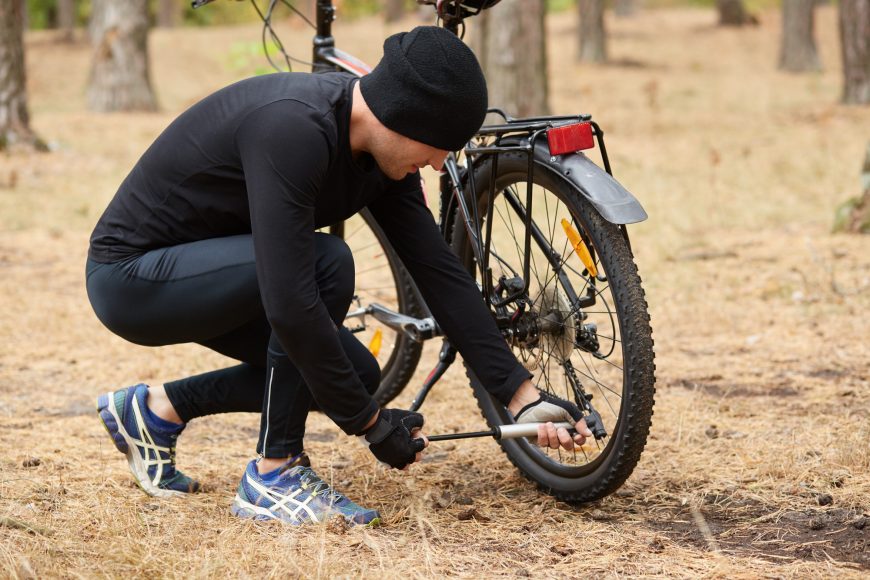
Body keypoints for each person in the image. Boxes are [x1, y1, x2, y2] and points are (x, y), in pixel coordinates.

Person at [86, 26, 592, 527]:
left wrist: (521, 395)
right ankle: (274, 471)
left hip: (214, 277)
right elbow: (289, 304)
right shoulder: (294, 130)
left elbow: (440, 275)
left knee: (356, 376)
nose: (440, 165)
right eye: (440, 147)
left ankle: (155, 410)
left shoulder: (381, 161)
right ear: (405, 118)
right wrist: (371, 427)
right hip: (133, 279)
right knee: (328, 263)